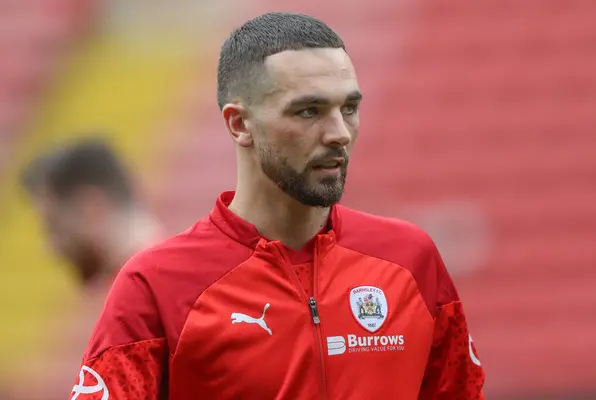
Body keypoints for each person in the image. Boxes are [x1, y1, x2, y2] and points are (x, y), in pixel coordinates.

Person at [71, 12, 485, 399]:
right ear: (239, 124)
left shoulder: (411, 260)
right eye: (309, 111)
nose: (340, 132)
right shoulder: (156, 285)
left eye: (350, 108)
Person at [5, 137, 163, 399]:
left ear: (90, 209)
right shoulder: (162, 289)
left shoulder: (144, 306)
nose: (51, 249)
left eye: (53, 227)